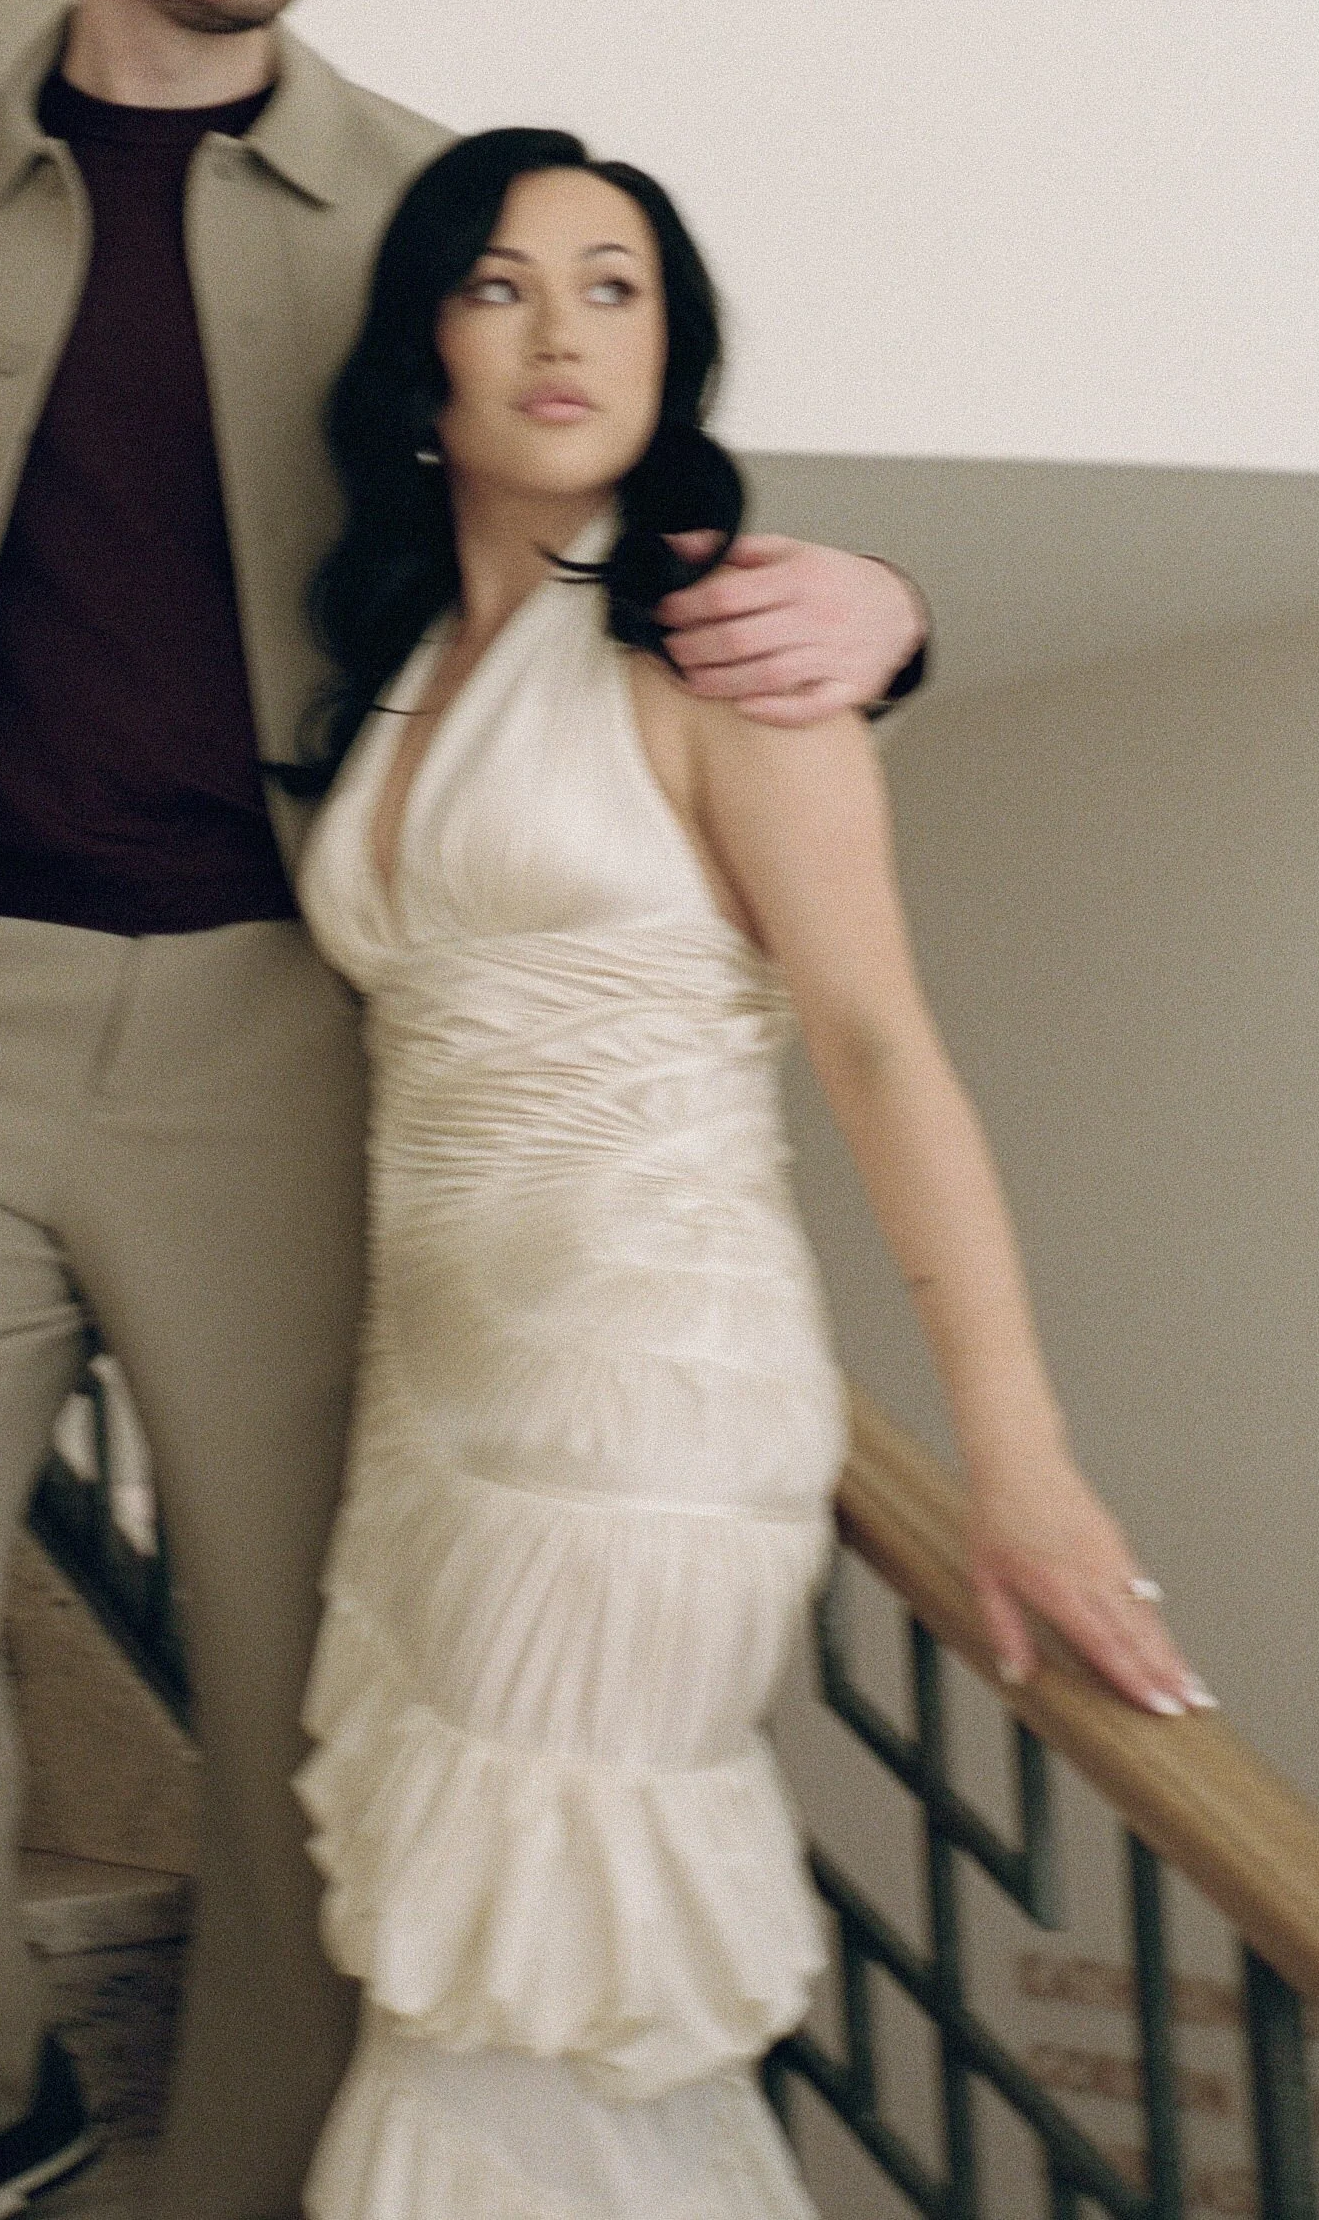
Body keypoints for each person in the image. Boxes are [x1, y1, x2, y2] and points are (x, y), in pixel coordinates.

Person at [0, 0, 930, 2220]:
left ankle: (245, 2180)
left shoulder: (429, 213)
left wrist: (881, 602)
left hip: (288, 1007)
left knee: (306, 1656)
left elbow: (620, 477)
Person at [286, 129, 1212, 2219]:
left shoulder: (726, 642)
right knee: (489, 1997)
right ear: (419, 338)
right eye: (501, 281)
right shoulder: (403, 659)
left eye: (614, 285)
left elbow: (878, 1044)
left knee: (531, 2009)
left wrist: (1020, 1454)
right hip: (430, 1406)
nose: (558, 329)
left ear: (672, 344)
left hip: (645, 1393)